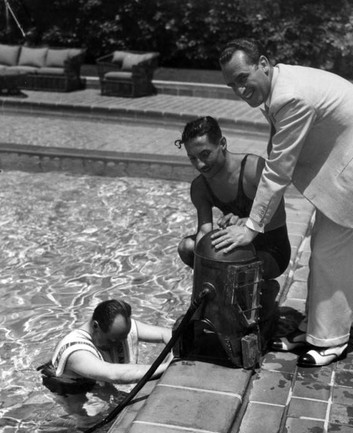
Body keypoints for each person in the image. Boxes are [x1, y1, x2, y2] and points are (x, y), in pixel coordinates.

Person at [212, 37, 353, 367]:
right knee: (323, 250)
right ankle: (315, 328)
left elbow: (279, 169)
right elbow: (275, 155)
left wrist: (251, 228)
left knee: (333, 255)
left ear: (264, 64)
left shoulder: (290, 96)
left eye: (243, 78)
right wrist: (250, 214)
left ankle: (331, 341)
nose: (239, 90)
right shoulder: (281, 84)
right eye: (231, 85)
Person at [175, 115, 291, 280]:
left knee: (232, 265)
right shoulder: (200, 187)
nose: (200, 164)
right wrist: (202, 265)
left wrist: (246, 223)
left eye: (205, 154)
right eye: (193, 158)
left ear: (222, 144)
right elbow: (204, 231)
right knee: (187, 248)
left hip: (271, 251)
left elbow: (279, 218)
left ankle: (261, 288)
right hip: (236, 247)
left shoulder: (252, 170)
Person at [38, 299, 173, 388]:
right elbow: (114, 374)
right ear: (96, 326)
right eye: (113, 340)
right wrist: (168, 367)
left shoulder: (120, 330)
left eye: (124, 337)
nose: (120, 343)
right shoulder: (76, 351)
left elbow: (167, 334)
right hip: (73, 394)